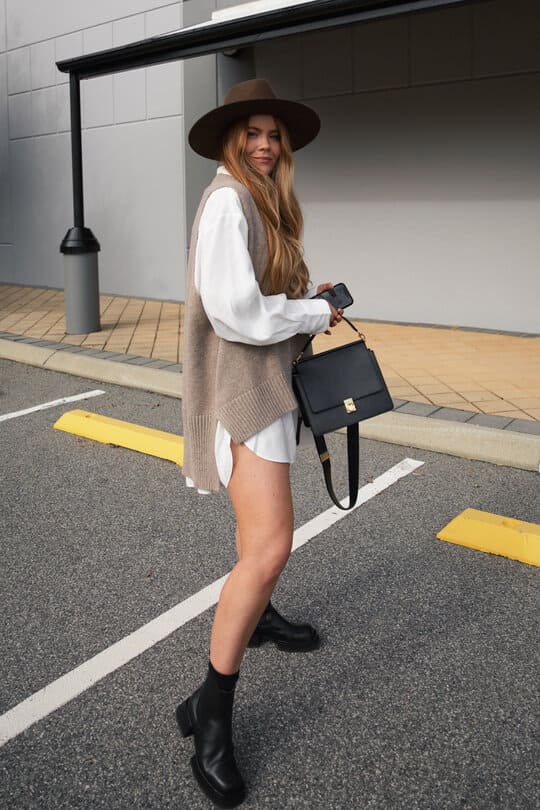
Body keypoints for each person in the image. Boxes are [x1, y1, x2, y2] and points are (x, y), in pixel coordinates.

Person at [176, 79, 342, 808]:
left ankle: (258, 617)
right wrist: (309, 313)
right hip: (243, 397)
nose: (266, 144)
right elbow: (238, 312)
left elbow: (259, 293)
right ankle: (209, 715)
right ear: (231, 140)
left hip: (265, 388)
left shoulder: (261, 201)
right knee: (271, 545)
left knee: (263, 542)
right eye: (253, 133)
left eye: (274, 134)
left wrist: (313, 296)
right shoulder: (226, 202)